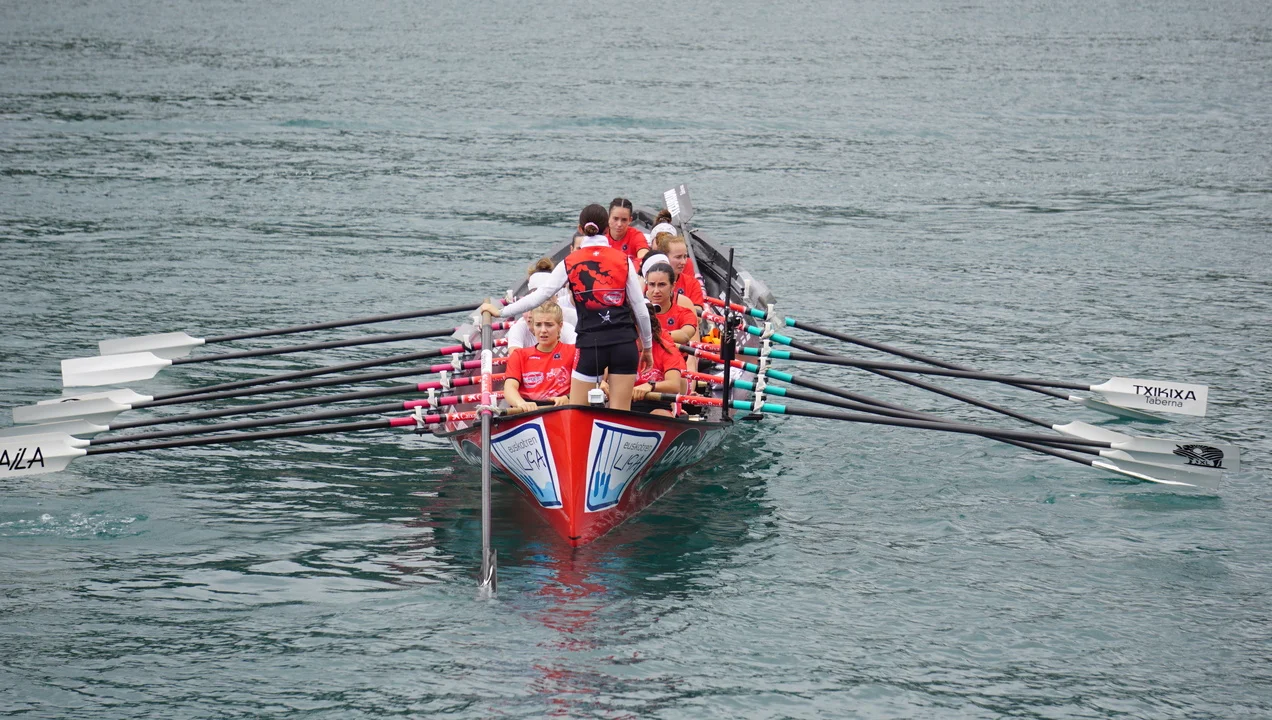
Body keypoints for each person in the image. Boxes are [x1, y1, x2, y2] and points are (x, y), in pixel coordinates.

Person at [482, 204, 652, 411]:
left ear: (580, 229)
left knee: (577, 411)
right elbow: (641, 311)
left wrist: (501, 312)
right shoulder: (624, 260)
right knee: (620, 412)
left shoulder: (570, 261)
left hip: (590, 345)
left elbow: (540, 296)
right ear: (607, 229)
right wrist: (647, 347)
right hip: (624, 344)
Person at [502, 301, 577, 413]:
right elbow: (509, 388)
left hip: (564, 410)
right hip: (528, 412)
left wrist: (568, 398)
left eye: (549, 325)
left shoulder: (574, 352)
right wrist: (521, 403)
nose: (543, 330)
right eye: (538, 325)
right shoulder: (519, 355)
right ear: (533, 327)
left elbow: (587, 385)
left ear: (560, 326)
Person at [630, 302, 687, 416]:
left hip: (659, 403)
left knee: (659, 414)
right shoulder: (621, 346)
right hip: (625, 402)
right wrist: (602, 383)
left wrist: (650, 385)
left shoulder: (666, 347)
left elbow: (674, 385)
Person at [642, 254, 698, 346]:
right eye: (652, 284)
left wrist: (655, 335)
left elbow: (685, 335)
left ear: (673, 286)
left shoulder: (685, 313)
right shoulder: (639, 312)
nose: (656, 291)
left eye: (662, 285)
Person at [654, 232, 705, 313]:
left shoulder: (692, 283)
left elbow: (697, 315)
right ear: (664, 257)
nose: (683, 262)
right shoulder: (650, 282)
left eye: (685, 256)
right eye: (678, 257)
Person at [605, 197, 649, 265]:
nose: (619, 224)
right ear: (608, 217)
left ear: (630, 220)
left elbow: (644, 257)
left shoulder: (636, 236)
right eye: (615, 219)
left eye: (624, 220)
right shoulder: (601, 235)